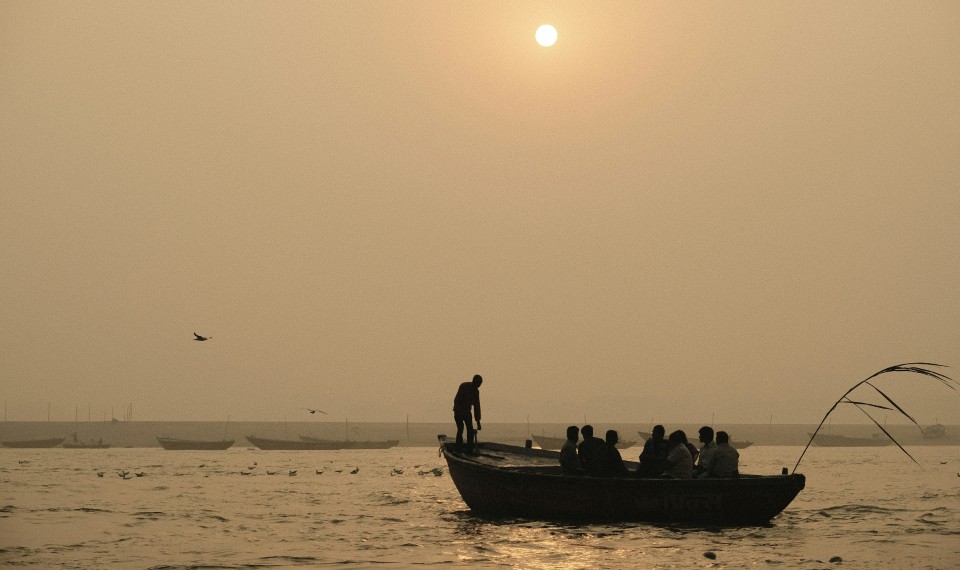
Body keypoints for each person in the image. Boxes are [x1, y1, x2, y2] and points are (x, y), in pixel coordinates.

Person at [453, 374, 482, 453]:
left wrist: (478, 422)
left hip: (467, 412)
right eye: (478, 384)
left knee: (470, 430)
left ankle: (469, 448)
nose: (479, 386)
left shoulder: (476, 391)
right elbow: (456, 400)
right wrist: (460, 411)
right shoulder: (464, 386)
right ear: (474, 381)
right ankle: (458, 448)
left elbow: (477, 406)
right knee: (460, 428)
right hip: (458, 411)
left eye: (480, 384)